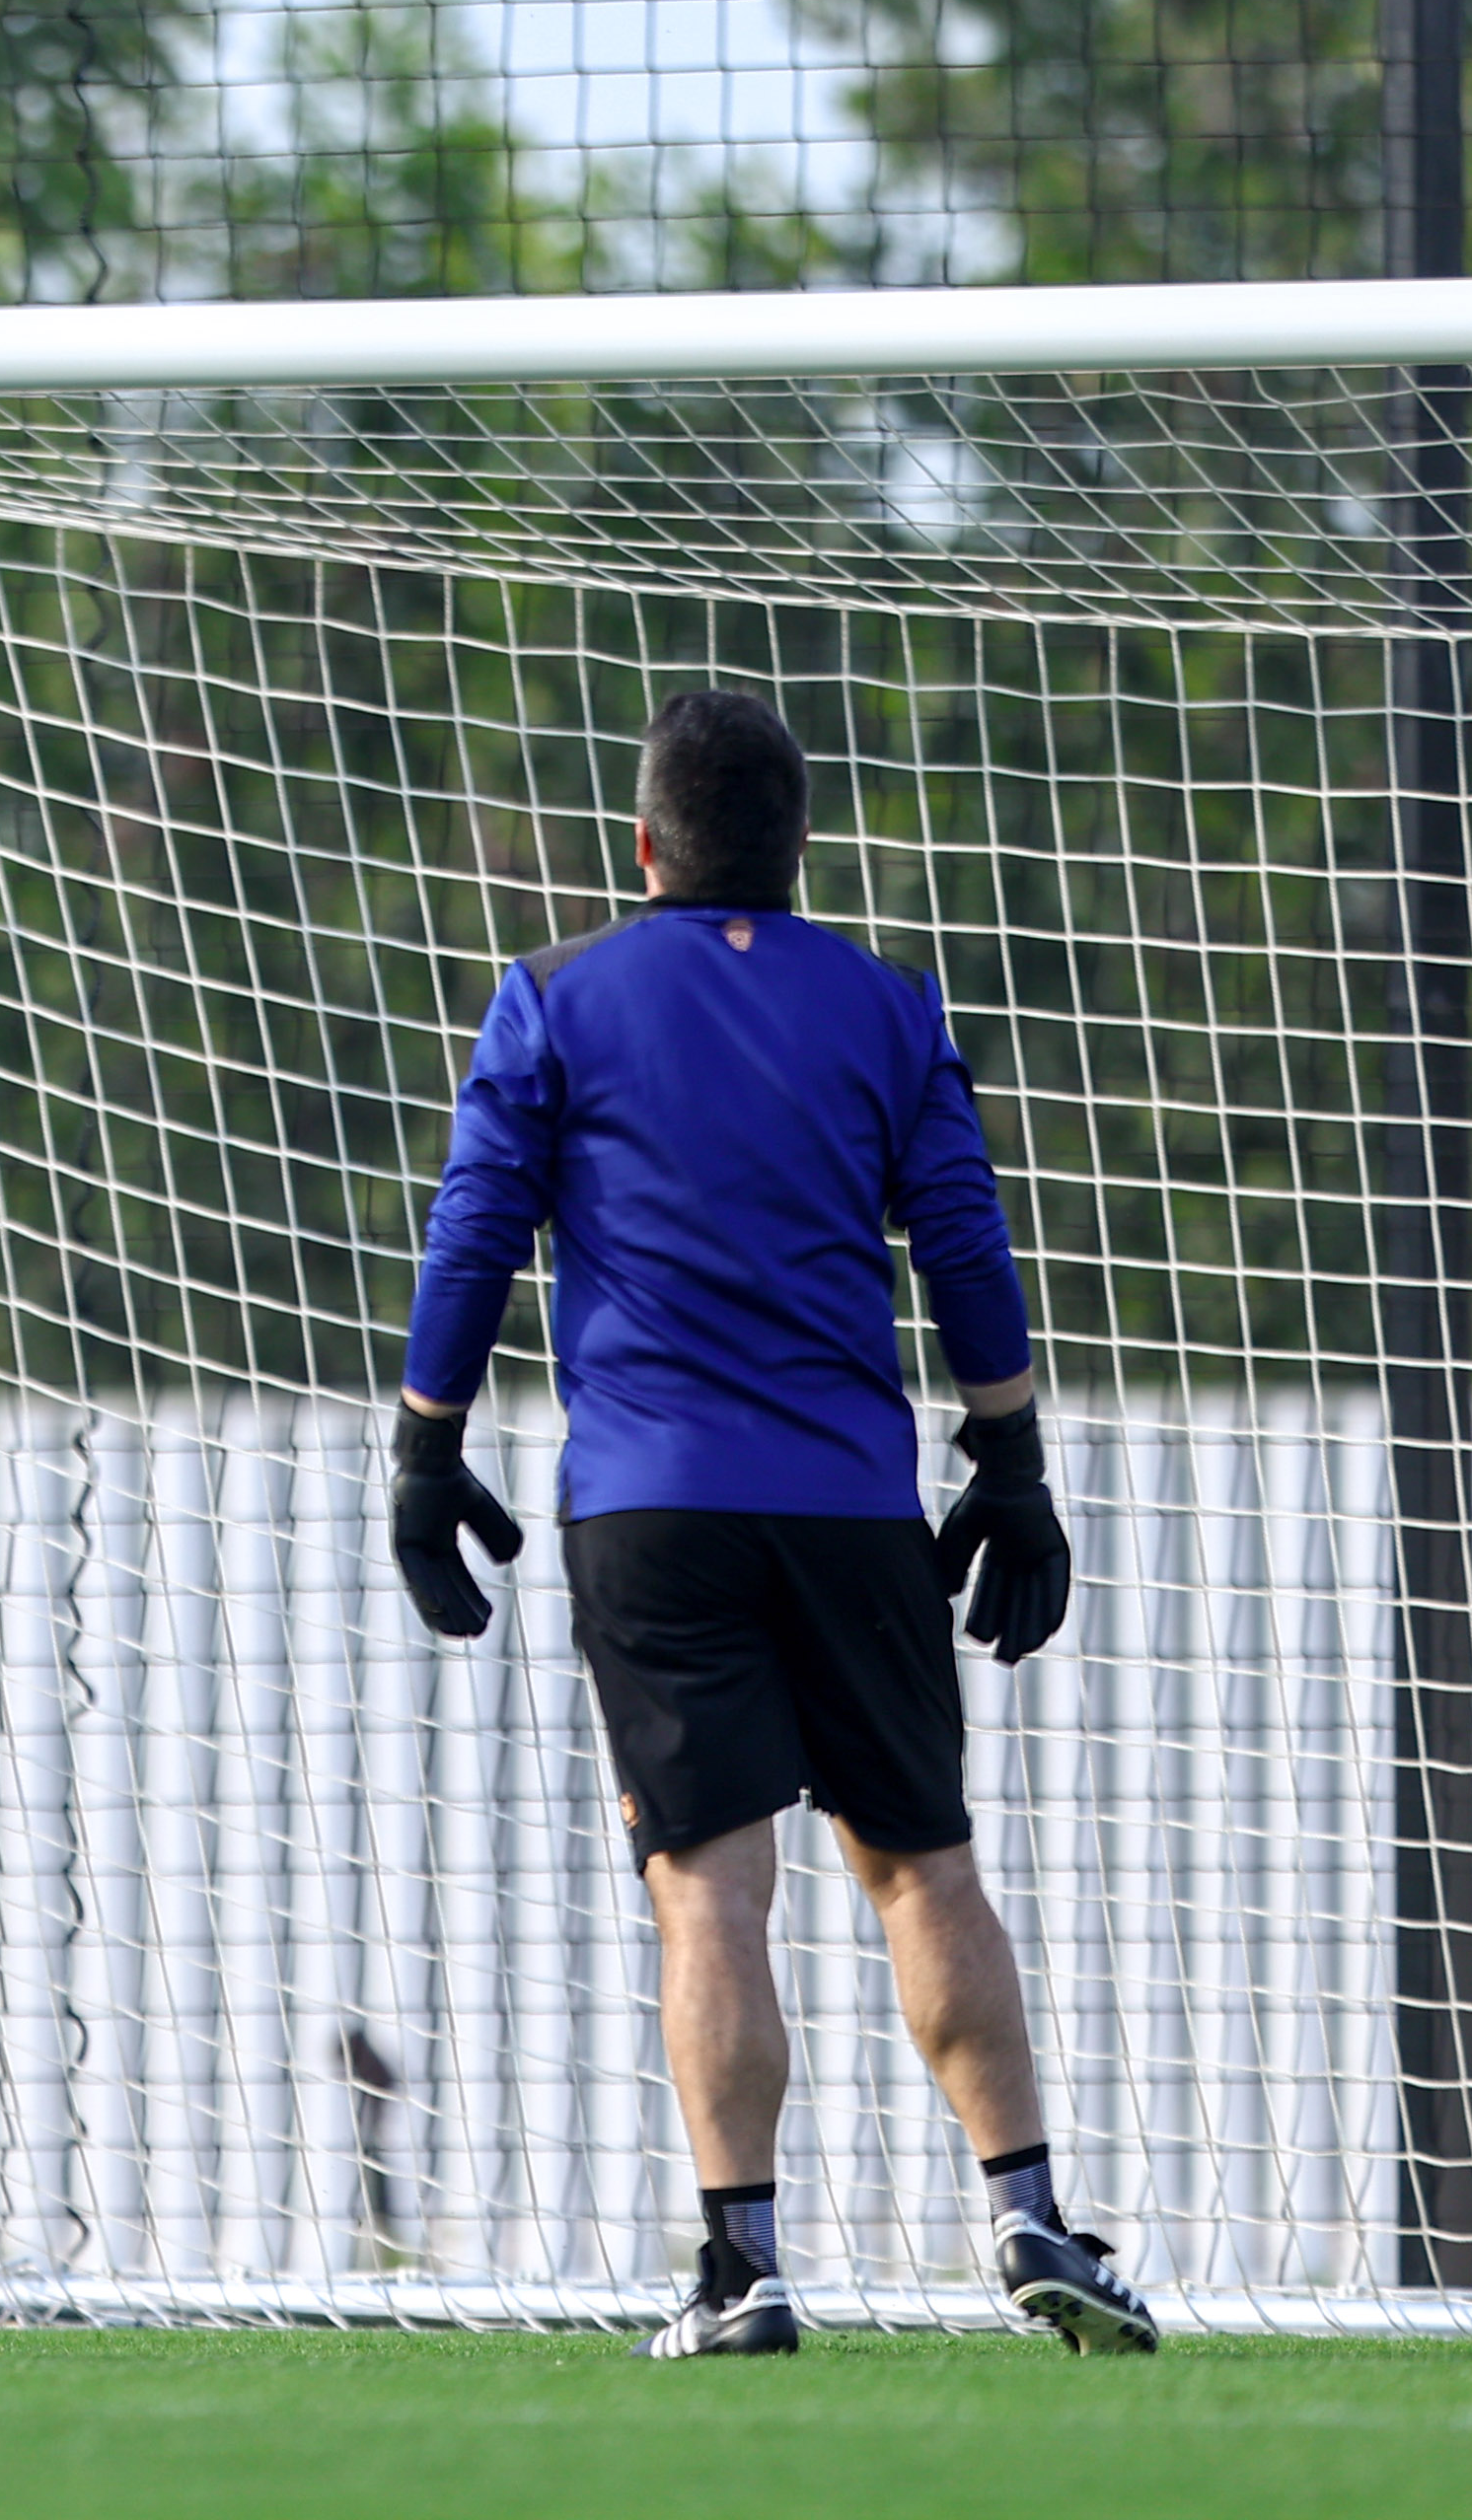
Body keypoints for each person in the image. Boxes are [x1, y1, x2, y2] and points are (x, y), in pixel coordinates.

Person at [391, 688, 1157, 2360]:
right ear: (796, 846)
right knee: (920, 1866)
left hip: (651, 1508)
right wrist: (1010, 1462)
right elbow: (963, 1238)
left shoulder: (553, 997)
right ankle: (1026, 2213)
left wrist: (423, 1452)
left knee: (705, 1889)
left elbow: (472, 1235)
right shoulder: (884, 1007)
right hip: (849, 1507)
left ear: (644, 842)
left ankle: (742, 2269)